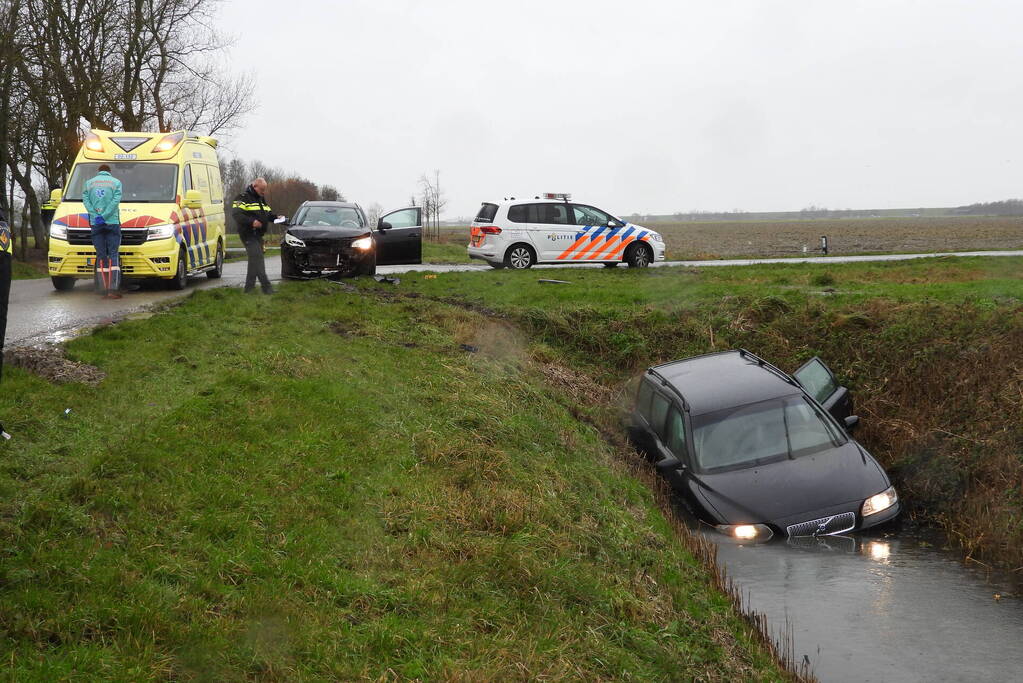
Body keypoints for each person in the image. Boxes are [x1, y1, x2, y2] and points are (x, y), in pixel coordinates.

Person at [232, 177, 279, 294]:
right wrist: (252, 222)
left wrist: (276, 218)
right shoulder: (242, 198)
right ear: (254, 186)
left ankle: (249, 289)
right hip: (247, 234)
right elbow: (236, 215)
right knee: (258, 258)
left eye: (265, 190)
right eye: (262, 189)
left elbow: (267, 214)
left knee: (254, 261)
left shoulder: (261, 199)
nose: (263, 192)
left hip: (258, 235)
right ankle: (267, 288)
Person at [82, 164, 123, 299]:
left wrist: (96, 215)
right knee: (113, 254)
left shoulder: (88, 184)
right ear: (109, 172)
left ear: (98, 172)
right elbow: (115, 202)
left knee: (101, 255)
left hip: (95, 223)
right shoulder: (116, 183)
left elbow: (86, 202)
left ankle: (102, 289)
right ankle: (113, 289)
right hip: (112, 222)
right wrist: (105, 216)